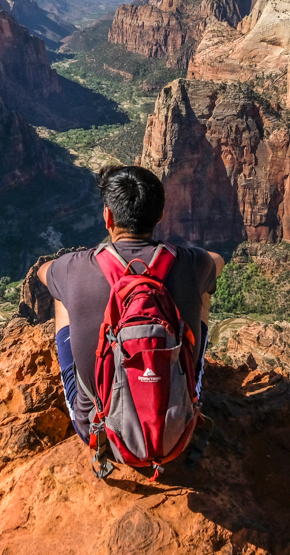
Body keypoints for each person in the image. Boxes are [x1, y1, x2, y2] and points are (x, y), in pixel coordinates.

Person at [37, 165, 224, 445]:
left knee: (61, 294)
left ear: (107, 216)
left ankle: (91, 397)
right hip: (176, 423)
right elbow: (217, 261)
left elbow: (43, 271)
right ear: (161, 215)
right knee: (204, 291)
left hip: (98, 432)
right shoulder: (191, 262)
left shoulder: (73, 267)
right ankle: (188, 381)